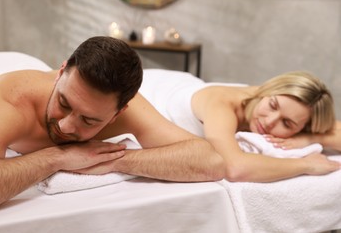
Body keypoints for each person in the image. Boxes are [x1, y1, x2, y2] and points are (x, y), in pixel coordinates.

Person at [0, 37, 224, 220]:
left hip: (30, 66)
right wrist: (55, 158)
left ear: (118, 114)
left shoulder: (120, 106)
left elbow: (210, 161)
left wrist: (117, 161)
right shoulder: (10, 99)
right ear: (60, 73)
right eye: (63, 103)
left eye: (89, 120)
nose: (66, 126)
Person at [139, 69, 341, 183]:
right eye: (272, 105)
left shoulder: (294, 111)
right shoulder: (222, 105)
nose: (269, 121)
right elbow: (234, 168)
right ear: (266, 90)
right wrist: (306, 165)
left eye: (287, 123)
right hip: (152, 90)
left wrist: (312, 138)